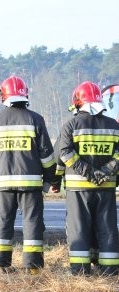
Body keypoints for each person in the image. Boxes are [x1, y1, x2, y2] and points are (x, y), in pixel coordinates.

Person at [0, 75, 56, 274]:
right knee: (32, 222)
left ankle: (2, 265)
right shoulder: (35, 119)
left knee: (3, 221)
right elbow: (47, 155)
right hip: (30, 183)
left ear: (3, 95)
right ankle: (32, 268)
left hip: (2, 183)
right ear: (25, 94)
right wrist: (49, 179)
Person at [51, 81, 119, 276]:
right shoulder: (113, 125)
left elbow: (64, 154)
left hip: (78, 189)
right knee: (107, 229)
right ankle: (110, 270)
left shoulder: (71, 125)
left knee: (79, 229)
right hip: (106, 187)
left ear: (78, 101)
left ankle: (80, 271)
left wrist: (88, 173)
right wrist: (105, 172)